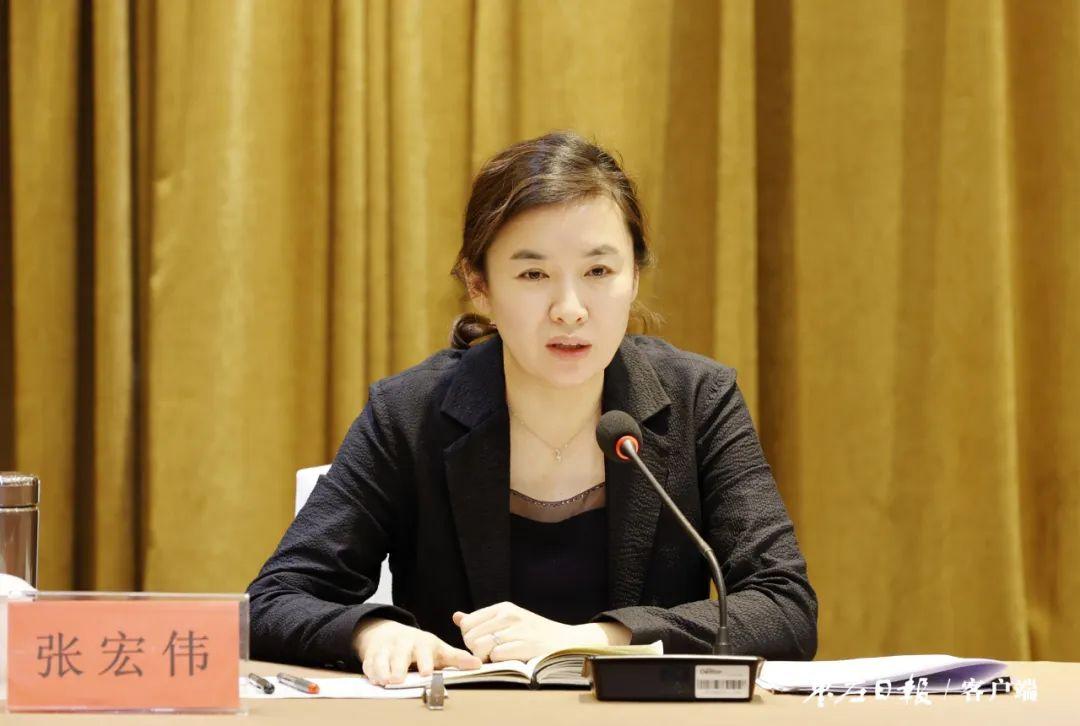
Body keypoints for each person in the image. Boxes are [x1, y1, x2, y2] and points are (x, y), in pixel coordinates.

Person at [247, 131, 817, 686]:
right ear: (480, 286)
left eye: (598, 271)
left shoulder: (699, 400)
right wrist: (371, 632)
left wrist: (597, 640)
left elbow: (784, 607)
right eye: (533, 274)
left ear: (634, 277)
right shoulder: (410, 413)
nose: (569, 309)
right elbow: (272, 601)